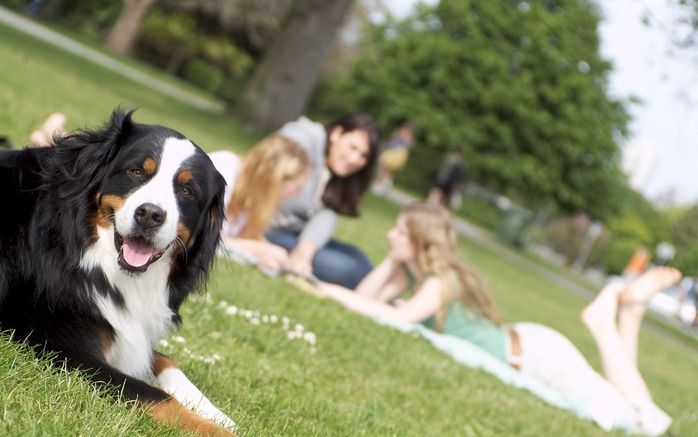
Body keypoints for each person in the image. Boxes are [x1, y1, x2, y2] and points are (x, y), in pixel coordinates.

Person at [318, 203, 679, 436]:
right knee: (630, 404)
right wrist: (391, 261)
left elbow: (395, 318)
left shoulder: (440, 282)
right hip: (529, 347)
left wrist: (330, 291)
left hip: (539, 357)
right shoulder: (413, 276)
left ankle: (604, 321)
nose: (389, 235)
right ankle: (631, 313)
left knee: (643, 423)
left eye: (398, 232)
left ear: (418, 240)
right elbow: (366, 301)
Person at [266, 113, 381, 289]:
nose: (354, 160)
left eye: (364, 155)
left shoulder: (335, 174)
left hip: (291, 232)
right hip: (266, 226)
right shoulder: (306, 138)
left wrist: (305, 251)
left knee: (357, 256)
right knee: (348, 268)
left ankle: (382, 295)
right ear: (336, 134)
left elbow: (327, 213)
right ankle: (376, 295)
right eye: (353, 147)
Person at [209, 134, 309, 272]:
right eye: (297, 186)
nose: (297, 193)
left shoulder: (252, 200)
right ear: (276, 179)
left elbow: (234, 241)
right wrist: (256, 248)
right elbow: (197, 239)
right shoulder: (223, 171)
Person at [372, 120, 415, 195]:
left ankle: (382, 184)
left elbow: (391, 139)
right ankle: (385, 184)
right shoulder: (409, 136)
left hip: (394, 152)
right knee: (390, 170)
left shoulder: (400, 132)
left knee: (385, 168)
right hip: (399, 154)